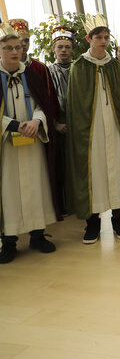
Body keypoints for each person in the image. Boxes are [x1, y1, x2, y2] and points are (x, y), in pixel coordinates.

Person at [65, 14, 120, 243]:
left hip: (115, 128)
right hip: (91, 130)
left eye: (106, 37)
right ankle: (93, 223)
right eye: (99, 37)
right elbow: (75, 104)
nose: (104, 41)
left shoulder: (115, 66)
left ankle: (119, 219)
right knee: (93, 171)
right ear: (89, 38)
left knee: (117, 169)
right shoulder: (79, 67)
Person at [0, 24, 58, 263]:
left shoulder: (32, 74)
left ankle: (37, 234)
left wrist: (36, 121)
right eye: (8, 48)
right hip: (5, 147)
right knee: (8, 190)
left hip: (33, 139)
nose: (14, 51)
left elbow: (45, 104)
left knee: (37, 185)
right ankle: (9, 241)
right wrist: (12, 125)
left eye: (17, 47)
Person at [48, 25, 75, 212]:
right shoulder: (46, 70)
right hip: (56, 122)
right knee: (59, 165)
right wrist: (55, 123)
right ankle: (62, 205)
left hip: (78, 122)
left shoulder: (79, 68)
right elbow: (44, 99)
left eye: (67, 46)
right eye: (60, 47)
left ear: (73, 49)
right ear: (53, 50)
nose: (64, 50)